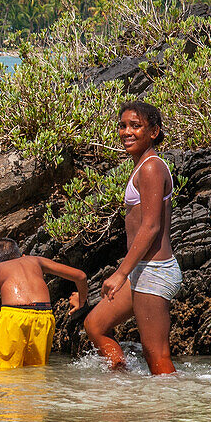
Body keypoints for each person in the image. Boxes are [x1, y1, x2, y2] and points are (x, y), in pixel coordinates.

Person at [83, 100, 181, 375]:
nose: (127, 132)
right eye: (123, 125)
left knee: (157, 358)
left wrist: (119, 274)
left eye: (136, 126)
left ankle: (172, 410)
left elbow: (150, 227)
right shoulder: (141, 166)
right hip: (141, 270)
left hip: (154, 271)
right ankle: (123, 383)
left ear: (153, 131)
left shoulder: (152, 167)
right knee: (96, 325)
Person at [0, 238, 89, 370]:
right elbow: (81, 276)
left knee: (2, 372)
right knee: (36, 371)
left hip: (12, 317)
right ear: (22, 255)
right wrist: (81, 300)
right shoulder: (35, 260)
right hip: (43, 316)